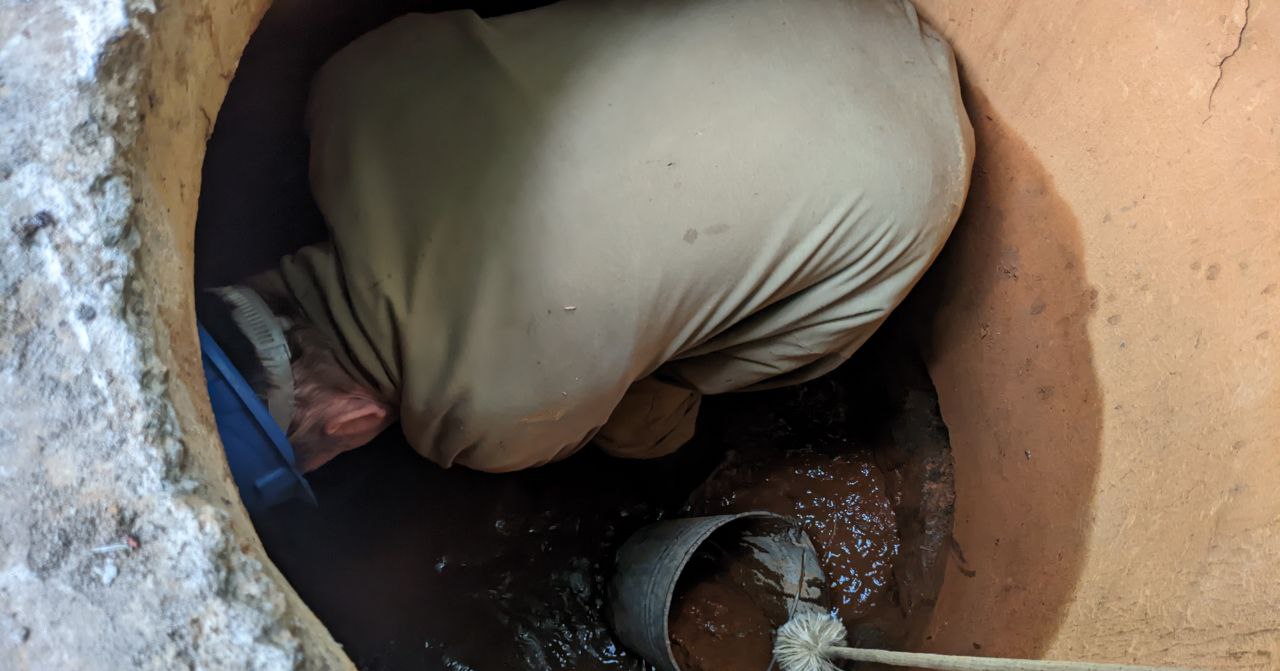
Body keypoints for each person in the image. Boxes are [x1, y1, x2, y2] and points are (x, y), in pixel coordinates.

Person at [199, 0, 974, 474]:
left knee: (651, 410)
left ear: (350, 421)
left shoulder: (494, 421)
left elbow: (629, 424)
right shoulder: (348, 91)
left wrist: (654, 431)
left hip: (908, 171)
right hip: (825, 14)